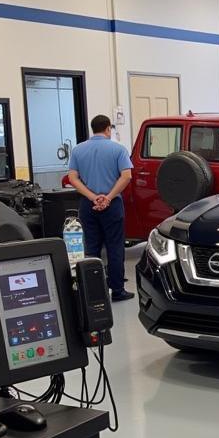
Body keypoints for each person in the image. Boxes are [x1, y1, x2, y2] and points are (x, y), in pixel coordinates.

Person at [68, 115, 134, 301]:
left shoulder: (78, 150)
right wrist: (109, 197)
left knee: (91, 248)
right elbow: (126, 176)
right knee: (115, 247)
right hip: (112, 206)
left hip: (88, 206)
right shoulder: (118, 149)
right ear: (108, 129)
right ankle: (118, 290)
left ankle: (93, 290)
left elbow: (73, 178)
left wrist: (92, 197)